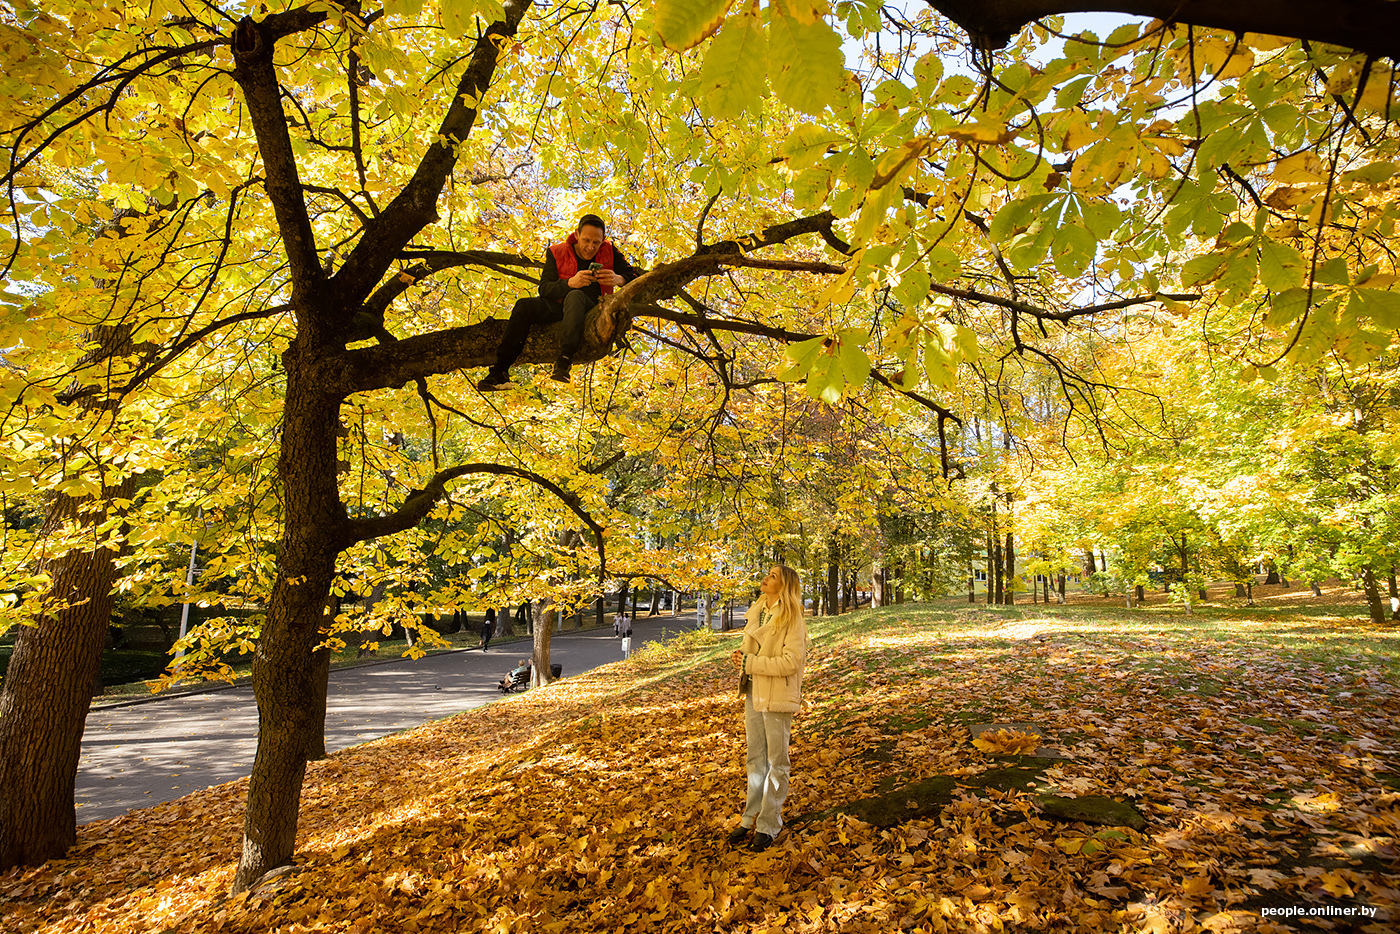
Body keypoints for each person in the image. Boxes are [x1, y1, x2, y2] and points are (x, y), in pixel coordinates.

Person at [477, 214, 644, 390]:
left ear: (603, 240)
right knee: (524, 305)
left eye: (596, 242)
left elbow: (636, 277)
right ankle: (500, 370)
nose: (590, 247)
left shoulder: (610, 251)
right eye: (586, 240)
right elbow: (545, 289)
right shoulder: (557, 252)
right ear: (577, 235)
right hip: (557, 307)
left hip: (591, 309)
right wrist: (569, 283)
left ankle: (565, 360)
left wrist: (619, 279)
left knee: (576, 296)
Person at [726, 565, 808, 853]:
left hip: (777, 693)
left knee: (777, 760)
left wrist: (751, 663)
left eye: (773, 576)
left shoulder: (792, 616)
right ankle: (750, 817)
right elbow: (754, 652)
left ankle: (770, 822)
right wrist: (740, 658)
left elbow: (791, 662)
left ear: (784, 585)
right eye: (768, 573)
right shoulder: (757, 609)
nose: (766, 577)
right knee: (755, 759)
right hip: (753, 690)